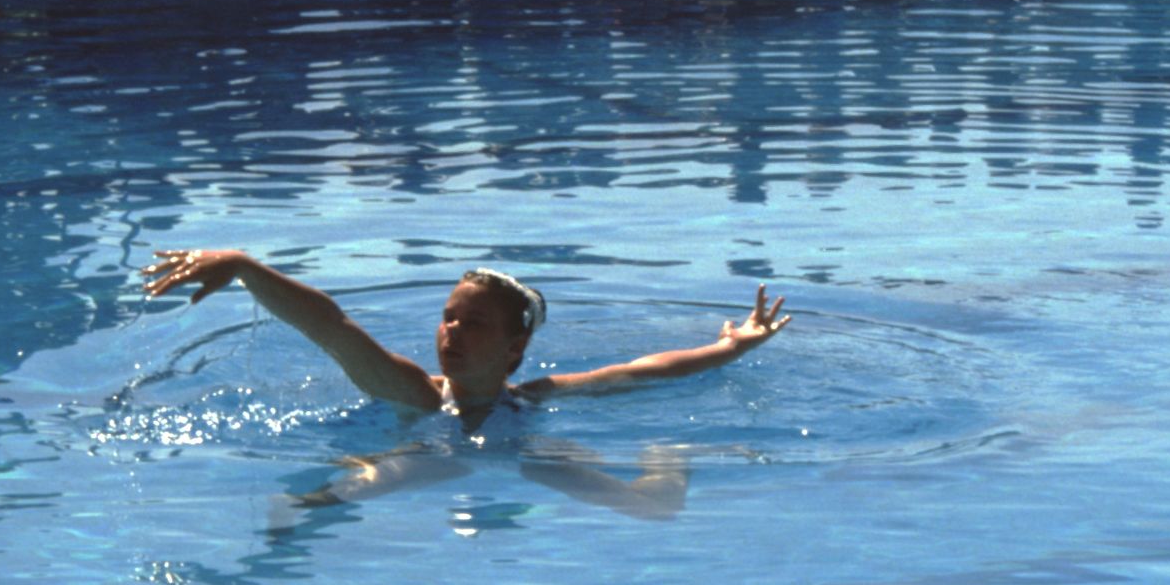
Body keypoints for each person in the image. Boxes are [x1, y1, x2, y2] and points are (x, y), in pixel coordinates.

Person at [139, 252, 792, 417]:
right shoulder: (415, 393)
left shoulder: (535, 396)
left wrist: (731, 347)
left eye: (473, 322)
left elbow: (653, 369)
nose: (451, 330)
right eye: (449, 316)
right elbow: (331, 327)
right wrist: (249, 271)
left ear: (514, 348)